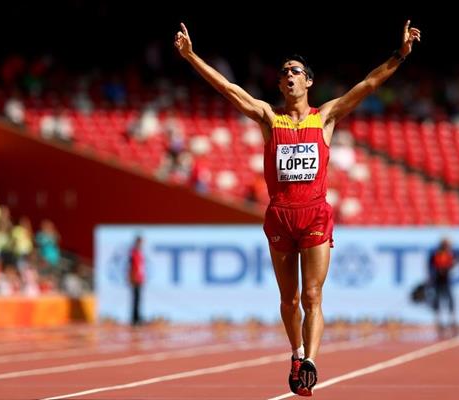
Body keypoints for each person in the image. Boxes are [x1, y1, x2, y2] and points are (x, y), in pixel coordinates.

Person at [174, 20, 420, 396]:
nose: (288, 75)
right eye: (284, 72)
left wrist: (399, 55)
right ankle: (296, 350)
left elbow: (369, 84)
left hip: (315, 214)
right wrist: (191, 56)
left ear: (308, 82)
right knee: (288, 299)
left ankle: (310, 363)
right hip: (280, 215)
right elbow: (226, 88)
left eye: (295, 71)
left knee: (312, 297)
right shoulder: (270, 118)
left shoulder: (326, 117)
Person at [428, 238, 459, 338]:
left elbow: (451, 265)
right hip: (438, 281)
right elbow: (431, 267)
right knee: (437, 302)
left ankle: (452, 321)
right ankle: (439, 322)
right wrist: (434, 274)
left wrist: (450, 266)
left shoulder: (449, 254)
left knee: (450, 301)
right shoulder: (436, 254)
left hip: (446, 281)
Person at [128, 235, 145, 326]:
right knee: (135, 299)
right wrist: (131, 277)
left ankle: (137, 317)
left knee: (138, 299)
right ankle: (134, 319)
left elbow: (140, 267)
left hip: (139, 278)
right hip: (135, 279)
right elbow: (131, 267)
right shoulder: (133, 253)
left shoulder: (139, 253)